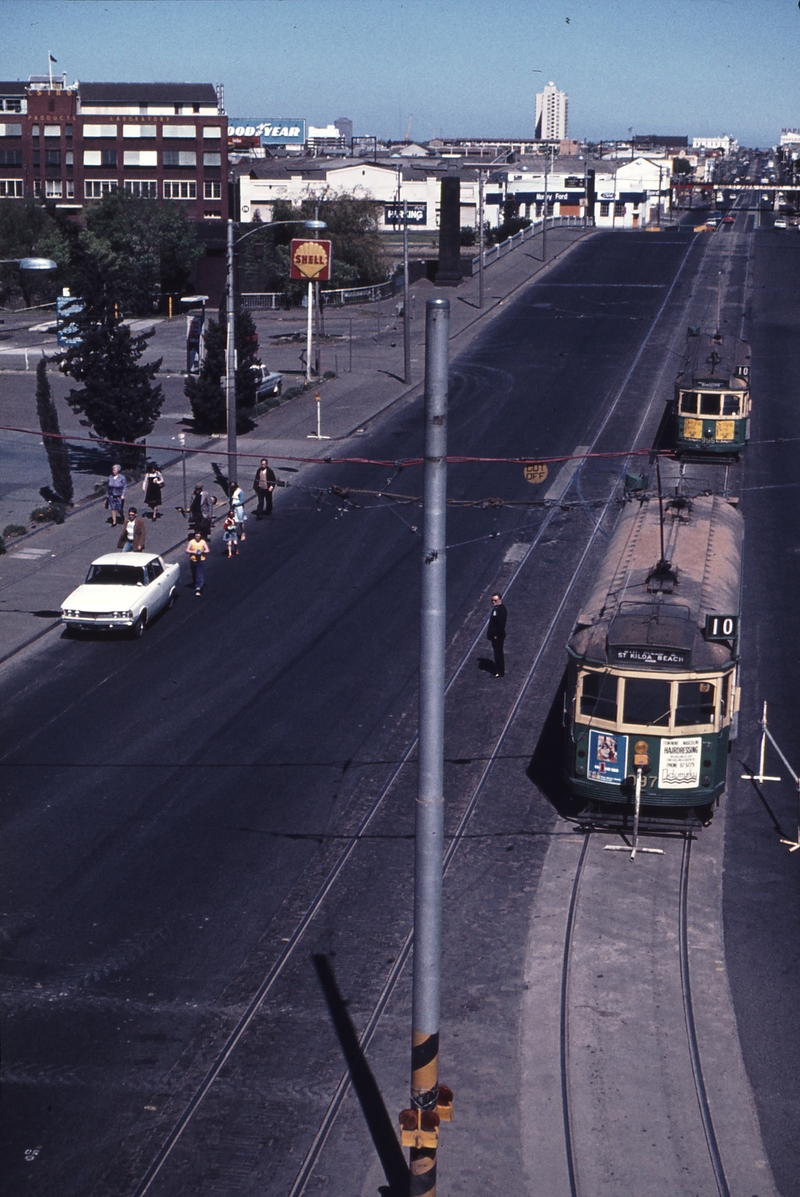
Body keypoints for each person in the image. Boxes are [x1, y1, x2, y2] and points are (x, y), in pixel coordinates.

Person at [486, 592, 507, 678]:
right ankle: (498, 669)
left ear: (500, 600)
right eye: (492, 600)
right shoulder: (496, 609)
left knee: (498, 653)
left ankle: (500, 671)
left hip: (498, 636)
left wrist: (496, 635)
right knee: (497, 652)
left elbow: (501, 625)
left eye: (495, 600)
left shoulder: (501, 610)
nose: (493, 602)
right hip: (495, 636)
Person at [186, 529, 209, 595]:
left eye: (198, 536)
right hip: (193, 560)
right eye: (196, 536)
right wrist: (194, 552)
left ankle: (198, 588)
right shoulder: (191, 542)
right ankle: (195, 583)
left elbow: (207, 550)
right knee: (194, 573)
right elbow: (187, 550)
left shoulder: (203, 542)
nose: (197, 538)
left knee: (199, 574)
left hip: (201, 560)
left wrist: (202, 551)